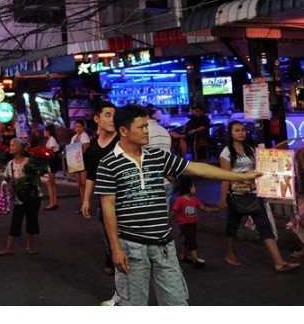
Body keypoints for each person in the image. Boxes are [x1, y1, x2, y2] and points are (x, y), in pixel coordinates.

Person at [95, 104, 270, 306]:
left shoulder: (157, 156)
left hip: (164, 244)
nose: (147, 131)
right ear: (124, 131)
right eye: (141, 127)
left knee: (177, 302)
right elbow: (108, 207)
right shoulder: (108, 163)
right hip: (131, 246)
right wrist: (115, 249)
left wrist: (240, 176)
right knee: (134, 305)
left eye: (146, 126)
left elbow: (197, 169)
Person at [218, 120, 300, 272]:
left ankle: (279, 262)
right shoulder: (226, 152)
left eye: (243, 130)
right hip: (236, 195)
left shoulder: (249, 149)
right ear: (230, 133)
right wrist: (222, 199)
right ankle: (229, 253)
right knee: (232, 226)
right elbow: (225, 177)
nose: (241, 132)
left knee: (265, 226)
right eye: (237, 130)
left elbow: (260, 170)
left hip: (254, 194)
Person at [81, 102, 118, 280]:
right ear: (97, 119)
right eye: (108, 115)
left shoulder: (122, 142)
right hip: (102, 201)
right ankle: (111, 260)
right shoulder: (94, 145)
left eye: (114, 115)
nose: (112, 119)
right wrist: (86, 199)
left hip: (123, 200)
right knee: (107, 234)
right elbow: (91, 173)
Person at [0, 138, 41, 256]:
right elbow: (6, 177)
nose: (10, 147)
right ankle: (8, 247)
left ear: (19, 148)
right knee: (16, 221)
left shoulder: (28, 162)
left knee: (31, 220)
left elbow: (36, 177)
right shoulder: (10, 163)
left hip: (32, 196)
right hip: (19, 197)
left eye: (12, 145)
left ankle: (30, 246)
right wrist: (4, 184)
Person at [171, 176, 218, 269]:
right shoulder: (180, 200)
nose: (195, 188)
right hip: (185, 224)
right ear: (188, 188)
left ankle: (182, 255)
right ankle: (195, 259)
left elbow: (203, 208)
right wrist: (169, 220)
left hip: (193, 223)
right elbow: (174, 212)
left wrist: (213, 209)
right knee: (192, 241)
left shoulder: (194, 200)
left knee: (189, 239)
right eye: (193, 186)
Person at [147, 105, 174, 209]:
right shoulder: (164, 130)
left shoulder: (143, 132)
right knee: (164, 216)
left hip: (153, 182)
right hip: (167, 181)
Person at [69, 120, 91, 203]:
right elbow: (71, 150)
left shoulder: (85, 136)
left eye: (80, 126)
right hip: (75, 162)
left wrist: (76, 148)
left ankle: (88, 204)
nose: (78, 128)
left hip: (83, 161)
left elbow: (84, 149)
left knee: (84, 184)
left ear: (83, 127)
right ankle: (83, 204)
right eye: (76, 126)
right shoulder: (73, 137)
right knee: (80, 185)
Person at [43, 124, 60, 210]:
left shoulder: (52, 140)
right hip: (52, 162)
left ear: (48, 131)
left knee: (50, 182)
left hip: (52, 162)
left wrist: (43, 154)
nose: (44, 132)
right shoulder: (50, 140)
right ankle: (54, 201)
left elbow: (50, 152)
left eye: (45, 131)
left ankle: (52, 202)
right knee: (52, 182)